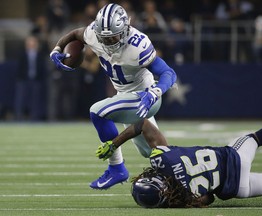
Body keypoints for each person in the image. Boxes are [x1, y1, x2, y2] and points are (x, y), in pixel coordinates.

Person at [49, 3, 177, 189]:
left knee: (97, 111)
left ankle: (116, 169)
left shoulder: (138, 45)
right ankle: (177, 174)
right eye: (104, 38)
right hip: (124, 95)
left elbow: (168, 73)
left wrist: (155, 92)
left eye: (113, 37)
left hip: (145, 96)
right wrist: (57, 49)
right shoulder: (94, 33)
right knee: (150, 150)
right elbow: (76, 34)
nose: (108, 42)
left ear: (125, 30)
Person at [95, 118, 262, 208]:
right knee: (255, 138)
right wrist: (114, 144)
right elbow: (143, 124)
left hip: (237, 188)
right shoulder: (161, 159)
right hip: (234, 158)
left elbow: (209, 199)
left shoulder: (181, 199)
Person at [14, 35, 47, 121]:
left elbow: (42, 68)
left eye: (33, 42)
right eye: (29, 43)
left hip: (36, 80)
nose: (31, 44)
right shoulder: (21, 54)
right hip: (23, 80)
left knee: (35, 100)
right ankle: (18, 117)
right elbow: (18, 67)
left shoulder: (40, 55)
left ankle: (34, 117)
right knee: (20, 99)